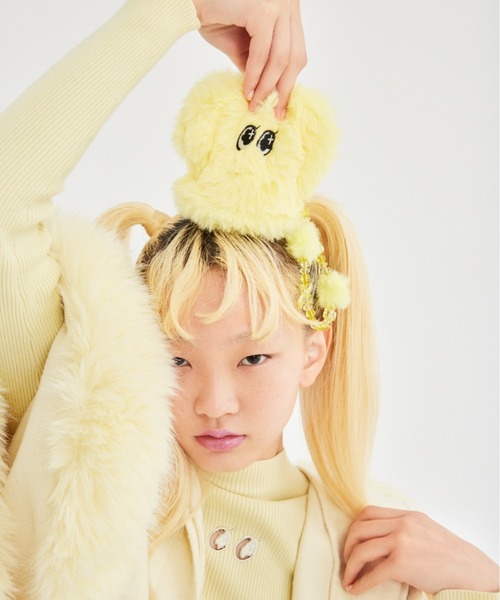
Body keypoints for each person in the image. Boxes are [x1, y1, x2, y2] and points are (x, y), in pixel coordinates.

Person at [0, 1, 497, 599]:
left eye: (253, 357)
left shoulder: (386, 555)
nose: (214, 403)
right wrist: (173, 9)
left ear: (314, 353)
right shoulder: (78, 465)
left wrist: (488, 580)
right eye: (176, 360)